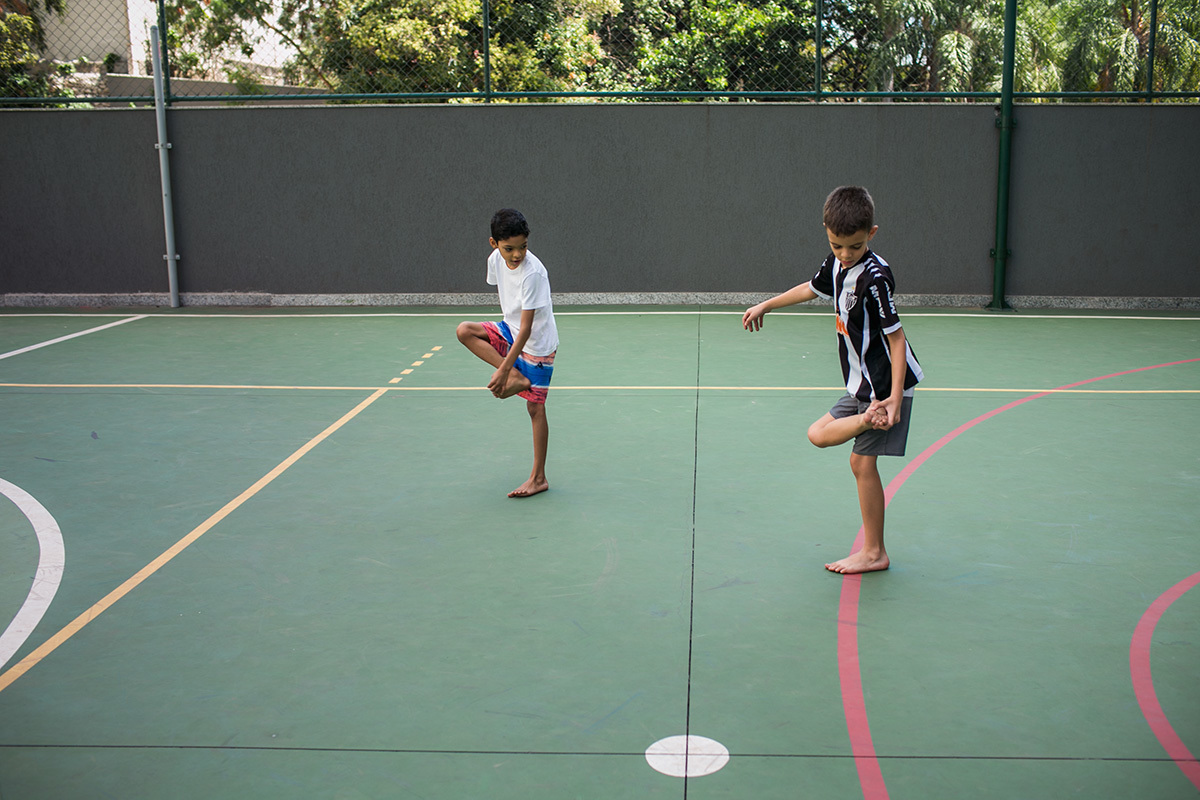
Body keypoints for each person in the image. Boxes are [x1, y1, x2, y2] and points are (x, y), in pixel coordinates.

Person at [742, 186, 923, 574]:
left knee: (861, 462)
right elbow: (812, 288)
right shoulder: (837, 264)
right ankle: (863, 420)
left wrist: (892, 399)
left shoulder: (874, 280)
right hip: (860, 386)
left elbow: (896, 338)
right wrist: (767, 304)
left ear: (871, 234)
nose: (844, 254)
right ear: (827, 231)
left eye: (854, 247)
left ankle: (874, 552)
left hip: (884, 387)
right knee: (818, 434)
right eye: (836, 245)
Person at [456, 208, 559, 498]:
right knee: (465, 330)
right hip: (509, 329)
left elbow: (527, 330)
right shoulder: (495, 261)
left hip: (538, 343)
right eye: (509, 248)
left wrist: (502, 370)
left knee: (534, 408)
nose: (517, 255)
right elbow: (509, 304)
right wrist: (508, 371)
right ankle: (517, 377)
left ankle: (539, 478)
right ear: (494, 244)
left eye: (523, 247)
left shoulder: (533, 274)